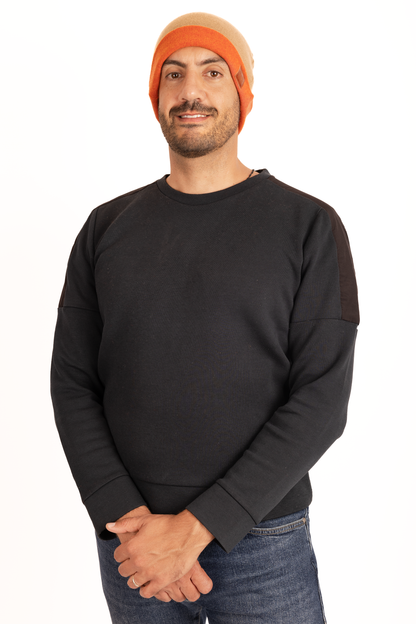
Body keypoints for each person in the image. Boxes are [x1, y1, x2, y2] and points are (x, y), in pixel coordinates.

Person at [51, 11, 359, 624]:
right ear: (156, 95)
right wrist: (126, 519)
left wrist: (198, 528)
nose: (191, 91)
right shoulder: (105, 227)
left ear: (242, 93)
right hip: (132, 542)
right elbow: (73, 382)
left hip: (264, 543)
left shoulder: (309, 225)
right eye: (174, 74)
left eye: (213, 72)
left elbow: (322, 400)